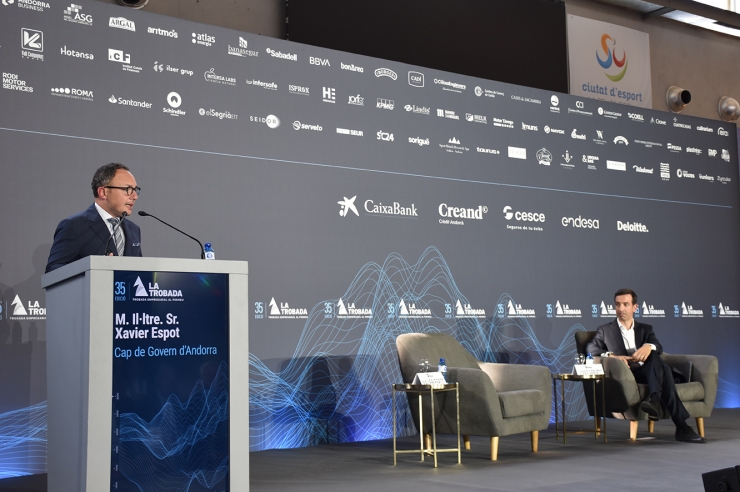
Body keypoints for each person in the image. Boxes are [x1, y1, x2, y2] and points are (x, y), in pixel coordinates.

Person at [586, 288, 706, 443]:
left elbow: (658, 346)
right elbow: (590, 348)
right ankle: (680, 425)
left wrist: (649, 346)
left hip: (648, 371)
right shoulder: (605, 330)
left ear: (635, 307)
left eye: (625, 304)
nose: (620, 309)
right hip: (627, 374)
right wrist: (612, 355)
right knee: (664, 370)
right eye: (617, 305)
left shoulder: (645, 329)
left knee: (654, 355)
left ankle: (655, 401)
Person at [45, 163, 142, 273]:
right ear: (103, 192)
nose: (135, 196)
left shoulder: (133, 229)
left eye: (135, 190)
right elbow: (53, 270)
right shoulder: (74, 226)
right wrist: (94, 268)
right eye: (128, 189)